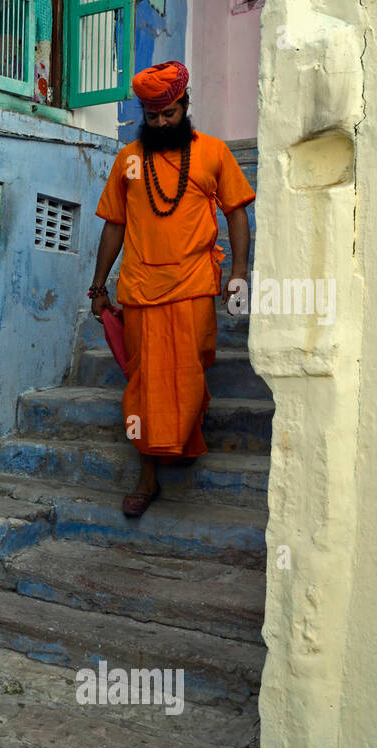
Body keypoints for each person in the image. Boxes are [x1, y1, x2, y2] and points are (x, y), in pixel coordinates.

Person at [88, 61, 255, 517]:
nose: (161, 123)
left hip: (195, 287)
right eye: (152, 116)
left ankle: (184, 439)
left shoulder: (214, 153)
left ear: (186, 105)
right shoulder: (128, 161)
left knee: (190, 373)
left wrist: (239, 273)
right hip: (140, 288)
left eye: (169, 114)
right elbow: (113, 227)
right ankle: (147, 475)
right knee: (145, 383)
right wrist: (98, 285)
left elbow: (237, 213)